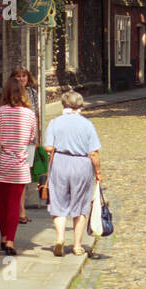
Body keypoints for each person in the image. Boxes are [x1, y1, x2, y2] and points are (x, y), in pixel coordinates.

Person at [0, 76, 38, 256]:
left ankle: (3, 236)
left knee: (2, 203)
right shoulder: (30, 115)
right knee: (14, 204)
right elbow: (31, 138)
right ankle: (11, 241)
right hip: (19, 165)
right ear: (22, 93)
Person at [43, 91, 103, 257]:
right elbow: (93, 153)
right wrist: (98, 172)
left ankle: (60, 238)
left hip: (60, 163)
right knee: (80, 206)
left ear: (63, 104)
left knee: (59, 203)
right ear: (80, 105)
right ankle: (77, 245)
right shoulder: (87, 125)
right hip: (81, 164)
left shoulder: (55, 123)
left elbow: (48, 147)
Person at [5, 65, 41, 222]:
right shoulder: (10, 94)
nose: (21, 79)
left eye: (24, 76)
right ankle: (19, 211)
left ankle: (20, 210)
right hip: (13, 140)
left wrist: (37, 138)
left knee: (25, 177)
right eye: (18, 76)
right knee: (15, 177)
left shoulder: (32, 93)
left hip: (29, 140)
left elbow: (36, 117)